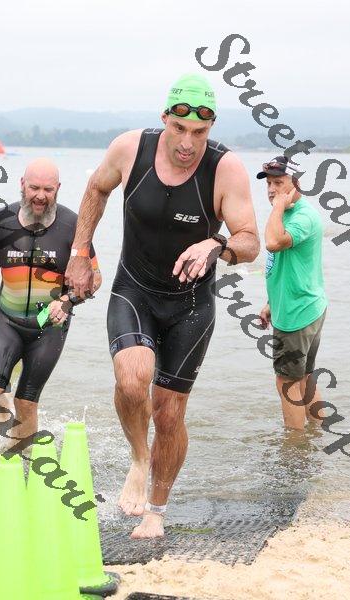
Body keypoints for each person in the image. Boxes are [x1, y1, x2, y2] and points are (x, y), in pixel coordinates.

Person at [65, 73, 260, 539]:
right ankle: (138, 458)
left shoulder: (225, 168)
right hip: (133, 290)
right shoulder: (130, 148)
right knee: (132, 380)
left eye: (200, 132)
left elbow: (250, 241)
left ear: (211, 127)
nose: (188, 142)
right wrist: (80, 251)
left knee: (169, 413)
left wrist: (217, 245)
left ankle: (157, 509)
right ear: (165, 118)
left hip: (191, 305)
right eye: (179, 128)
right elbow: (96, 189)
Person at [0, 158, 101, 443]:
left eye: (48, 190)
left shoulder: (73, 225)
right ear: (22, 185)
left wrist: (67, 301)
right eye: (34, 188)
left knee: (27, 402)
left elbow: (95, 278)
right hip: (7, 321)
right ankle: (5, 410)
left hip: (49, 327)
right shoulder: (1, 221)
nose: (40, 196)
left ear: (58, 188)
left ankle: (20, 458)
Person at [258, 156, 327, 431]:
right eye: (269, 184)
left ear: (295, 184)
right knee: (304, 377)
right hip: (305, 306)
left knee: (286, 382)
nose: (271, 190)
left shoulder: (302, 216)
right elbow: (286, 265)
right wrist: (270, 302)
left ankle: (294, 446)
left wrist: (277, 207)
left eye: (279, 183)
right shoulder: (287, 213)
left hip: (297, 314)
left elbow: (274, 243)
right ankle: (318, 432)